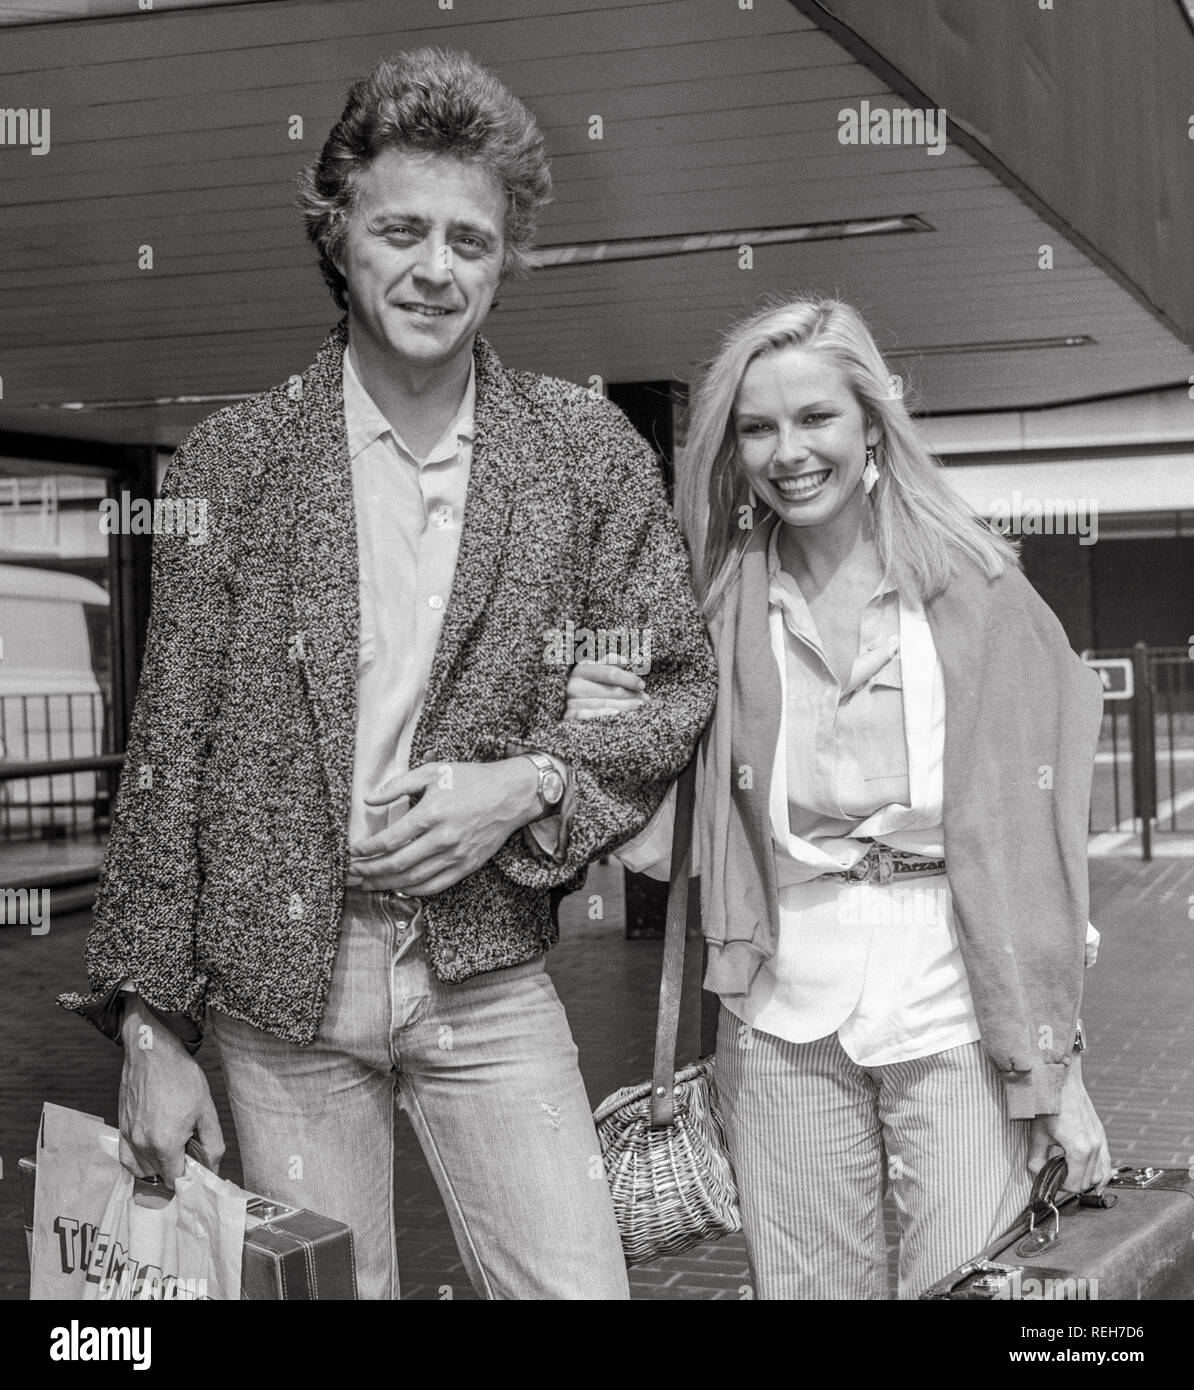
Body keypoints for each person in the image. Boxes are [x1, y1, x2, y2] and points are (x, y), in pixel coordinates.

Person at [60, 47, 716, 1301]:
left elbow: (672, 678)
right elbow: (171, 758)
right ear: (339, 230)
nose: (436, 268)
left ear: (507, 254)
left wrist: (527, 783)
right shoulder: (235, 464)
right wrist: (150, 1024)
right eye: (401, 228)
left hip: (488, 969)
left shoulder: (581, 455)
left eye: (472, 240)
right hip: (278, 992)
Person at [566, 295, 1110, 1300]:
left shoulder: (980, 591)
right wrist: (608, 734)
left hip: (959, 1002)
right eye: (758, 426)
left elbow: (1041, 853)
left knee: (973, 1290)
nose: (788, 451)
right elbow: (665, 842)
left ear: (871, 423)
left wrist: (1058, 1067)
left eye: (815, 417)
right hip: (782, 1011)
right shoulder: (718, 606)